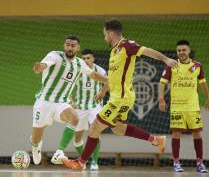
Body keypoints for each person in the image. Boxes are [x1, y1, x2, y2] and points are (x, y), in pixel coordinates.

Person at [61, 19, 178, 171]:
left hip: (120, 98)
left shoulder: (126, 45)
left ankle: (81, 162)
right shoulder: (114, 51)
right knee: (118, 129)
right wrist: (104, 90)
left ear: (110, 33)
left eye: (105, 35)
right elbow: (113, 76)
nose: (104, 38)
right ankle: (156, 140)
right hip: (120, 97)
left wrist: (166, 59)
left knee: (95, 128)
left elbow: (147, 50)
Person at [30, 35, 108, 165]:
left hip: (61, 103)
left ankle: (59, 152)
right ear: (64, 45)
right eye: (67, 44)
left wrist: (107, 80)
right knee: (36, 138)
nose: (69, 47)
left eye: (73, 45)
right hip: (44, 102)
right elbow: (44, 64)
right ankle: (36, 146)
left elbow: (92, 74)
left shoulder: (80, 63)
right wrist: (39, 67)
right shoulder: (55, 55)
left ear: (78, 47)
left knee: (74, 118)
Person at [158, 40, 209, 173]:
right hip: (177, 106)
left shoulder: (197, 66)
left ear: (189, 51)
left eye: (184, 50)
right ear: (177, 52)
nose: (181, 52)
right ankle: (176, 163)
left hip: (193, 106)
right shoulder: (172, 65)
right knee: (176, 134)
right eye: (179, 50)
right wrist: (161, 99)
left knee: (197, 134)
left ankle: (200, 163)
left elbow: (203, 83)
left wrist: (208, 98)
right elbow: (162, 83)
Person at [51, 49, 107, 170]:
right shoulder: (78, 70)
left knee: (95, 131)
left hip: (95, 106)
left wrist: (102, 92)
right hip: (80, 107)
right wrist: (71, 101)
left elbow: (108, 81)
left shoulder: (100, 70)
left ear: (93, 59)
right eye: (84, 58)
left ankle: (95, 162)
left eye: (88, 58)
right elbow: (67, 85)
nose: (86, 60)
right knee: (77, 138)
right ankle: (83, 161)